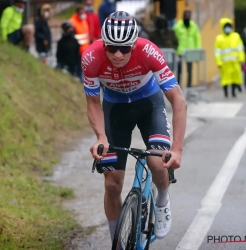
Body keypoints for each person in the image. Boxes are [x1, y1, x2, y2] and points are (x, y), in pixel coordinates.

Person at [81, 11, 187, 245]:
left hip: (148, 105)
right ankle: (116, 243)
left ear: (134, 45)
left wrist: (177, 149)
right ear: (103, 43)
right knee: (111, 183)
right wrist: (100, 136)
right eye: (111, 47)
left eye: (125, 49)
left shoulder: (148, 52)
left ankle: (162, 198)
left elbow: (178, 100)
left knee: (158, 162)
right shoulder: (91, 58)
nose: (117, 54)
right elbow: (92, 102)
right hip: (115, 109)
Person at [214, 18, 245, 98]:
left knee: (235, 78)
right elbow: (217, 52)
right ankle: (226, 93)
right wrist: (219, 62)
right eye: (226, 27)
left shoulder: (236, 36)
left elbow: (240, 49)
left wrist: (241, 59)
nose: (227, 28)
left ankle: (233, 92)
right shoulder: (219, 38)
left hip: (235, 62)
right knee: (225, 80)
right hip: (225, 64)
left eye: (229, 26)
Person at [173, 10, 201, 87]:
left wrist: (197, 53)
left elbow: (197, 40)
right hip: (180, 51)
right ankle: (178, 86)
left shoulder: (194, 26)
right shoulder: (177, 26)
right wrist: (175, 51)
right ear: (183, 16)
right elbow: (174, 39)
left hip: (190, 51)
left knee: (189, 70)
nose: (187, 17)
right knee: (179, 70)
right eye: (186, 16)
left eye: (189, 16)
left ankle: (189, 87)